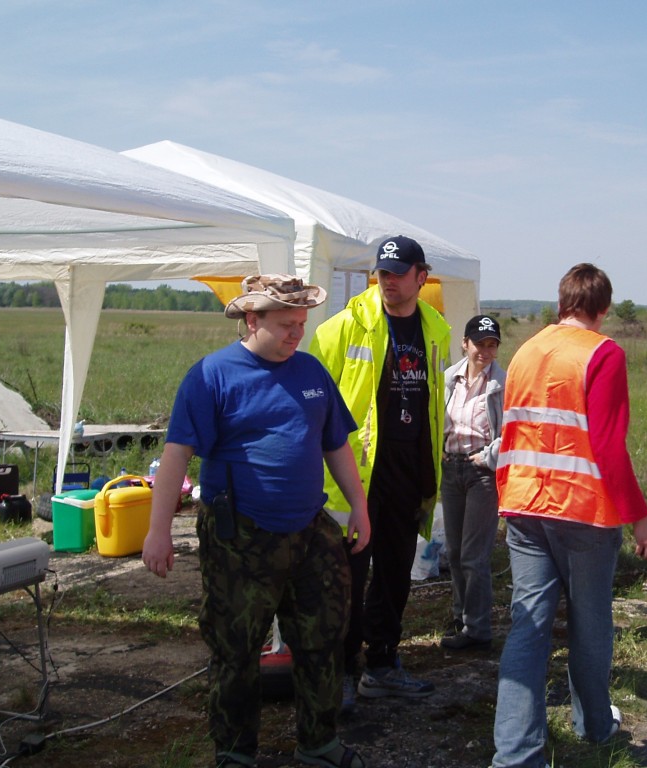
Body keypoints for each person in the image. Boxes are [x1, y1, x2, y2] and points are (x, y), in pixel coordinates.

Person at [142, 274, 370, 768]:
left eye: (301, 324)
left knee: (323, 638)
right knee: (236, 649)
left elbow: (336, 444)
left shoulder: (311, 372)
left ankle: (318, 743)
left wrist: (359, 506)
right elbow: (177, 454)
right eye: (286, 325)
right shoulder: (212, 376)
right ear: (252, 319)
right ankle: (235, 752)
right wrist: (158, 531)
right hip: (240, 538)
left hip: (308, 531)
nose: (297, 334)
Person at [491, 263, 647, 768]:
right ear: (604, 308)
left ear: (562, 301)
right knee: (590, 624)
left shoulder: (525, 351)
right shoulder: (603, 353)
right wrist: (641, 519)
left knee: (528, 626)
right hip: (583, 512)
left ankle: (514, 755)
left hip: (523, 504)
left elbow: (512, 430)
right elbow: (608, 447)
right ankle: (594, 726)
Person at [309, 235, 451, 708]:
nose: (388, 281)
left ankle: (383, 663)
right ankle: (343, 672)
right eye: (383, 272)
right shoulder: (340, 329)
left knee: (395, 571)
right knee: (348, 577)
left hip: (409, 471)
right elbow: (315, 409)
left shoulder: (436, 329)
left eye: (398, 273)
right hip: (357, 474)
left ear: (421, 277)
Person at [439, 314, 507, 652]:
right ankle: (461, 617)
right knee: (453, 552)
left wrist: (489, 456)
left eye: (492, 344)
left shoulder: (503, 384)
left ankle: (478, 630)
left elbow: (514, 430)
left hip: (482, 473)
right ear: (464, 344)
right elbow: (437, 418)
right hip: (451, 469)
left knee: (473, 555)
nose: (485, 351)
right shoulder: (449, 378)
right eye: (479, 343)